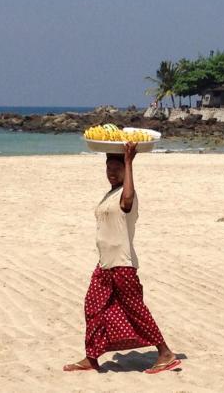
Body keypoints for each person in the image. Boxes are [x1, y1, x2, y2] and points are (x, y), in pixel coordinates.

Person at [64, 142, 180, 374]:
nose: (111, 172)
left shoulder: (128, 194)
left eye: (116, 168)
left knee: (136, 309)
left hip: (122, 265)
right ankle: (92, 358)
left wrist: (129, 162)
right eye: (108, 168)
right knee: (93, 308)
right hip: (105, 264)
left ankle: (165, 353)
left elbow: (127, 201)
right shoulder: (109, 193)